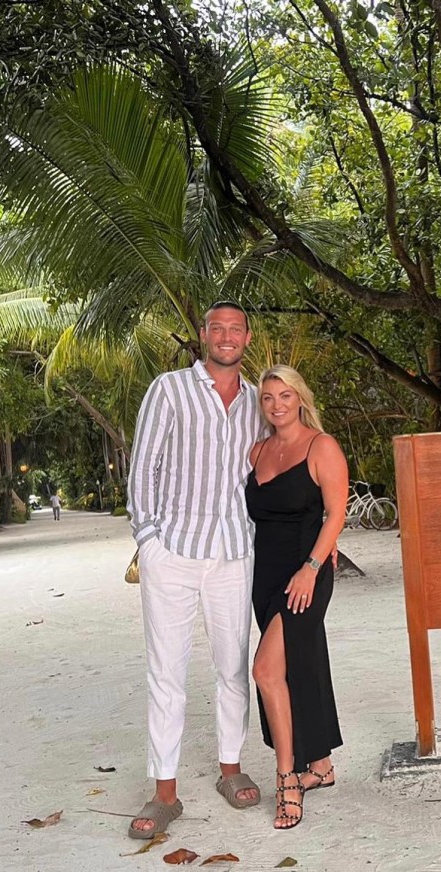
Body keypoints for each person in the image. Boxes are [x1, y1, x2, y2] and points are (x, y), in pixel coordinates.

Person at [125, 302, 266, 840]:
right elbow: (145, 468)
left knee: (233, 667)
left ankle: (231, 768)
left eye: (235, 329)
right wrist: (149, 541)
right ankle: (165, 792)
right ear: (203, 335)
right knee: (166, 672)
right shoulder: (169, 389)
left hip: (234, 551)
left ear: (247, 338)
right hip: (173, 554)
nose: (226, 337)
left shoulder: (258, 400)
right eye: (217, 328)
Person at [245, 365, 348, 829]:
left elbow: (336, 513)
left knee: (266, 670)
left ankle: (287, 779)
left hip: (306, 573)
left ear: (300, 398)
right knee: (301, 664)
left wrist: (310, 568)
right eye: (268, 397)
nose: (277, 404)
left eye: (285, 395)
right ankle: (320, 767)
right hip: (266, 577)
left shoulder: (320, 446)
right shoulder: (258, 451)